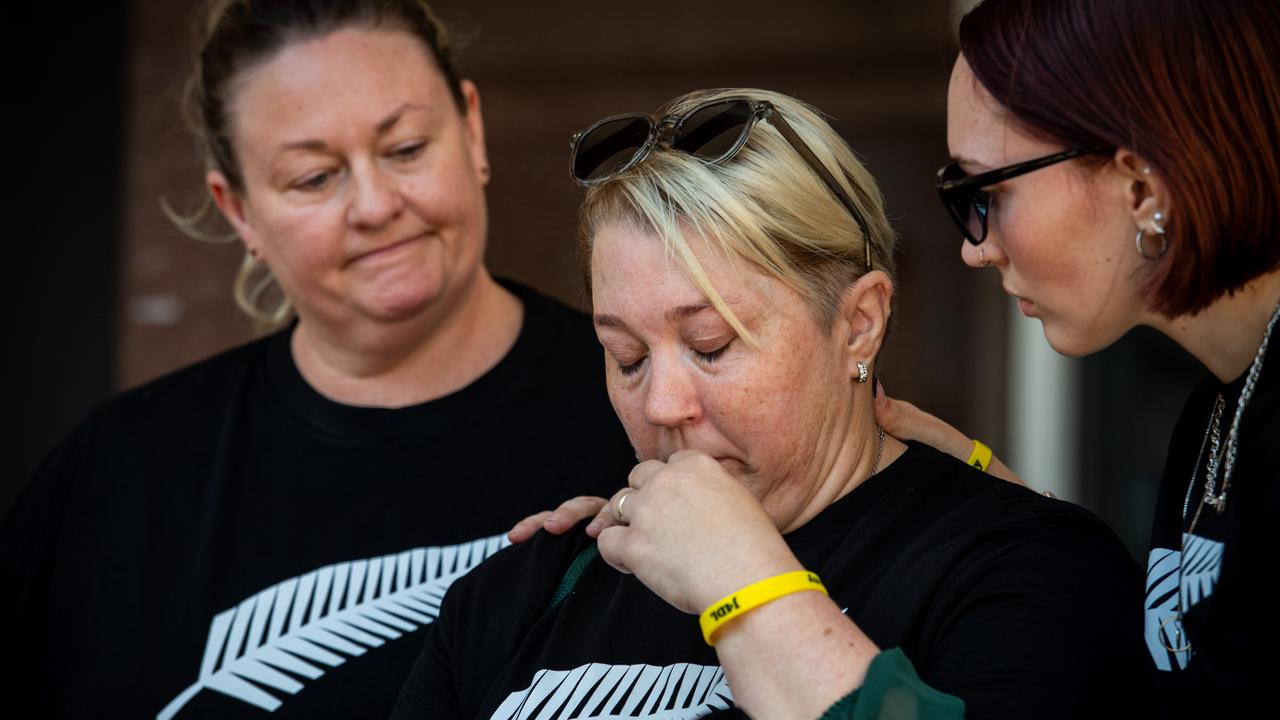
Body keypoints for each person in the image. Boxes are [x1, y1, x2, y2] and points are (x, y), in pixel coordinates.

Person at [393, 88, 1150, 720]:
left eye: (712, 345)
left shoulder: (1026, 569)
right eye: (625, 357)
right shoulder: (529, 589)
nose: (661, 403)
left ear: (859, 323)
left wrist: (742, 580)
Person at [0, 1, 633, 718]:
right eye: (313, 177)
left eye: (406, 149)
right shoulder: (117, 475)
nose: (374, 204)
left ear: (472, 129)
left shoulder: (656, 415)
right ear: (237, 210)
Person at [872, 0, 1280, 715]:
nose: (975, 245)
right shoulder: (1219, 406)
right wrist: (1012, 513)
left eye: (986, 192)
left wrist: (751, 591)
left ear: (1139, 187)